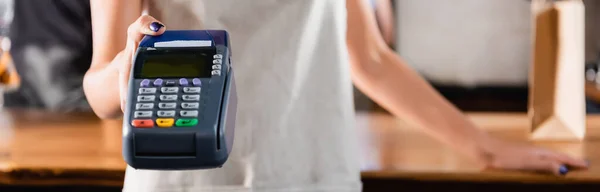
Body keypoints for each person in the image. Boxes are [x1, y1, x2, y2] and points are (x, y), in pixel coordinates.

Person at [82, 0, 588, 191]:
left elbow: (367, 58)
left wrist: (485, 147)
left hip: (312, 173)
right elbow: (99, 87)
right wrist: (125, 72)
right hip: (183, 185)